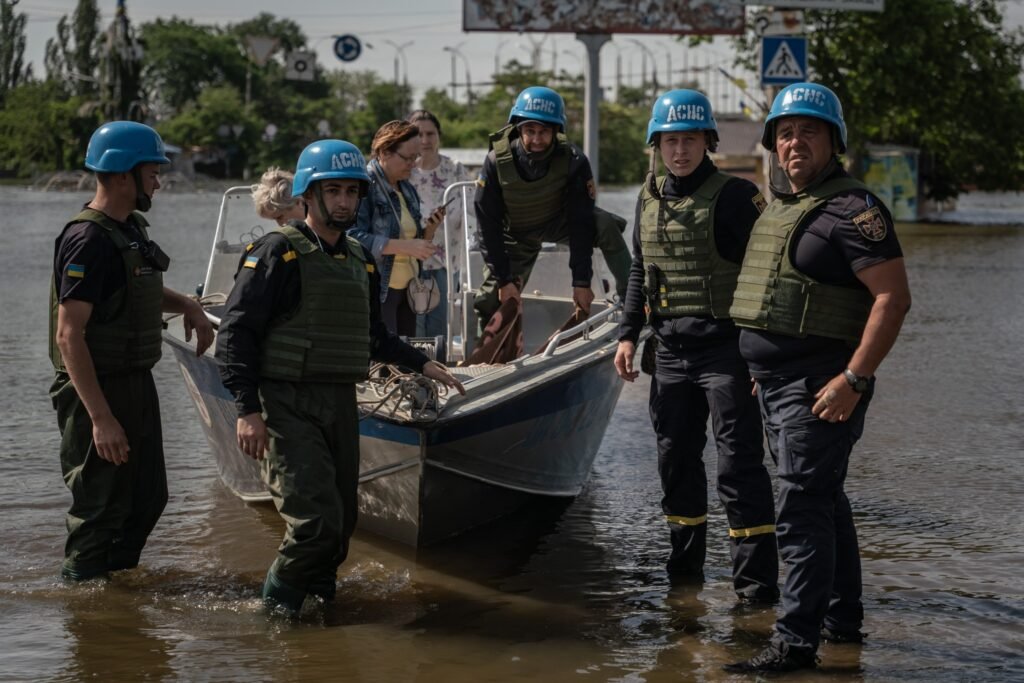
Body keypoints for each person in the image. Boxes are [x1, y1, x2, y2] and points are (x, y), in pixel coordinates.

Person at [215, 139, 464, 615]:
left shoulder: (360, 260)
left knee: (342, 521)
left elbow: (374, 336)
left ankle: (318, 612)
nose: (345, 201)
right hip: (286, 403)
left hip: (338, 402)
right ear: (309, 195)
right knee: (313, 525)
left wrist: (424, 363)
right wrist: (247, 410)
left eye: (352, 191)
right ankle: (273, 620)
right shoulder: (276, 254)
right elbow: (235, 335)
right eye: (334, 191)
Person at [724, 83, 911, 673]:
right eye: (785, 133)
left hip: (822, 389)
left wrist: (854, 379)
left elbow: (893, 299)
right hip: (777, 384)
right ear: (773, 146)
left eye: (809, 131)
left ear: (833, 141)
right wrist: (764, 367)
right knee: (823, 502)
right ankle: (842, 624)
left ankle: (794, 646)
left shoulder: (854, 212)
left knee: (800, 511)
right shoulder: (782, 206)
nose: (795, 142)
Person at [613, 90, 778, 602]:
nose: (679, 150)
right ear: (656, 144)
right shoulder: (648, 196)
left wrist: (763, 353)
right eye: (669, 140)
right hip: (668, 352)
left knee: (738, 465)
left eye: (689, 140)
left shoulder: (736, 197)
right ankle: (684, 582)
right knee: (675, 460)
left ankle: (754, 593)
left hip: (727, 351)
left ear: (708, 142)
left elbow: (767, 276)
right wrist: (626, 333)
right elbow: (641, 269)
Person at [49, 121, 214, 581]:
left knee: (147, 498)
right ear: (123, 174)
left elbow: (136, 286)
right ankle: (83, 605)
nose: (159, 181)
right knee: (100, 509)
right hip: (97, 390)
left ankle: (113, 597)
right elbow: (69, 336)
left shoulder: (129, 230)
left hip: (136, 382)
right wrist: (101, 419)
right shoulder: (89, 240)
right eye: (153, 172)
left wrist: (188, 305)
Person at [473, 86, 632, 337]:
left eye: (544, 131)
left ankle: (632, 297)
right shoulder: (496, 162)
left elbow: (581, 223)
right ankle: (487, 351)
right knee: (489, 297)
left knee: (603, 223)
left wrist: (581, 282)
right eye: (530, 131)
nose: (537, 139)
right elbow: (487, 225)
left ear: (557, 131)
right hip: (515, 232)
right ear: (518, 129)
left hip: (557, 222)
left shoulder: (574, 160)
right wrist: (504, 280)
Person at [348, 120, 443, 337]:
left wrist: (430, 229)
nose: (413, 163)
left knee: (403, 358)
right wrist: (406, 247)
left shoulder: (406, 187)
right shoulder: (366, 185)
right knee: (386, 360)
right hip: (381, 290)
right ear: (384, 152)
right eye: (407, 158)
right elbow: (352, 238)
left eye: (415, 157)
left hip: (407, 290)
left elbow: (413, 242)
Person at [407, 109, 473, 338]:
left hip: (447, 261)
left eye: (430, 134)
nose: (425, 140)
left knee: (439, 330)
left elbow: (472, 210)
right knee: (415, 326)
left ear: (439, 136)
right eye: (418, 134)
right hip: (411, 261)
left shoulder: (454, 169)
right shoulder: (405, 172)